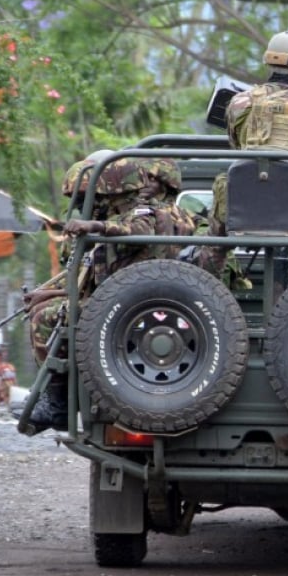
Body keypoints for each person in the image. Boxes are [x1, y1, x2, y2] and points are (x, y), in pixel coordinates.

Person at [23, 153, 195, 433]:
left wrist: (96, 227)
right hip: (131, 303)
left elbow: (140, 227)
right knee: (48, 309)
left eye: (152, 179)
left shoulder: (151, 213)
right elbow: (87, 276)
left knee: (45, 320)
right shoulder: (146, 213)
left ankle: (59, 405)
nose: (146, 185)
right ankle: (55, 399)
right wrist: (49, 292)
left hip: (134, 306)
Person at [196, 28, 288, 278]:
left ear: (268, 61)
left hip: (244, 199)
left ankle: (200, 290)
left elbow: (237, 148)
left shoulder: (238, 103)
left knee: (214, 245)